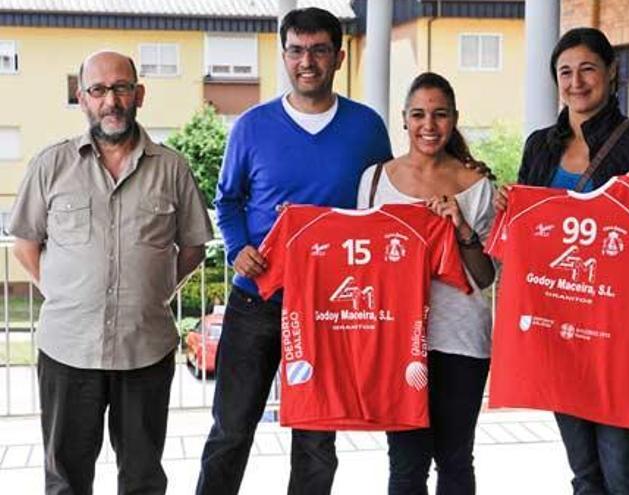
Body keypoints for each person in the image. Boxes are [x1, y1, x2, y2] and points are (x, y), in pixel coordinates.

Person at [197, 7, 392, 495]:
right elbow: (228, 200)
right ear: (284, 55)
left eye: (319, 50)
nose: (308, 61)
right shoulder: (251, 126)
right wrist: (239, 247)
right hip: (257, 297)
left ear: (339, 57)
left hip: (330, 304)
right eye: (297, 50)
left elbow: (383, 202)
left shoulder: (367, 127)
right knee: (231, 429)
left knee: (317, 438)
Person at [8, 51, 213, 494]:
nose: (111, 100)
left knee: (142, 478)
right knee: (65, 479)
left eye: (121, 88)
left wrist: (152, 291)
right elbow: (25, 244)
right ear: (82, 98)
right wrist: (62, 292)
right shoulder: (51, 165)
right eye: (99, 90)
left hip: (145, 348)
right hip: (68, 351)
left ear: (139, 94)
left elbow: (193, 247)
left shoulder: (172, 168)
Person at [496, 27, 629, 495]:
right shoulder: (540, 145)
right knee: (583, 469)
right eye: (565, 72)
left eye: (587, 69)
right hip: (558, 325)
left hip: (614, 329)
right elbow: (526, 231)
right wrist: (507, 209)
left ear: (611, 73)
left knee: (621, 464)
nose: (576, 82)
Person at [357, 72, 496, 495]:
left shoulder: (477, 185)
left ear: (454, 119)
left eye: (439, 114)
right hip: (398, 343)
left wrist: (461, 229)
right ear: (404, 120)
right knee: (405, 464)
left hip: (461, 341)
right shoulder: (374, 181)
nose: (428, 125)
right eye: (418, 114)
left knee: (455, 460)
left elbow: (486, 275)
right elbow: (361, 259)